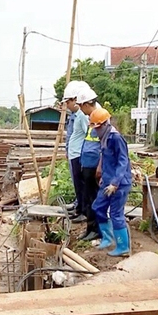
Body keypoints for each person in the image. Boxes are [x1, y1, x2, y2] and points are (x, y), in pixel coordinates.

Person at [89, 108, 133, 257]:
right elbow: (106, 157)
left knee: (116, 213)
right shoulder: (104, 137)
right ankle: (107, 238)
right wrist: (103, 175)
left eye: (98, 127)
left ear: (105, 124)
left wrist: (115, 183)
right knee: (98, 207)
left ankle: (123, 246)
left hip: (120, 183)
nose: (97, 130)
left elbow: (123, 161)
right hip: (107, 180)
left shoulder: (116, 138)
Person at [75, 88, 103, 241]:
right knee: (88, 198)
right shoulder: (91, 117)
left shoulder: (100, 117)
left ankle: (96, 229)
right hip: (87, 164)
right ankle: (90, 228)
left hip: (94, 166)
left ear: (87, 104)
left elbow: (104, 146)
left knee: (94, 198)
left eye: (81, 106)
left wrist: (100, 167)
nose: (80, 109)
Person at [62, 81, 91, 222]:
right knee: (78, 185)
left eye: (68, 101)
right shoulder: (77, 115)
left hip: (80, 155)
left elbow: (89, 135)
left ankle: (83, 211)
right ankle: (79, 207)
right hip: (75, 154)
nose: (67, 105)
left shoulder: (83, 116)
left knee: (82, 185)